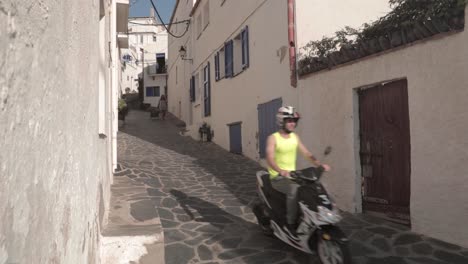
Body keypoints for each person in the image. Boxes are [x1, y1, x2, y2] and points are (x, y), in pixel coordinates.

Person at [266, 106, 330, 237]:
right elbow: (270, 158)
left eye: (294, 121)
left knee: (312, 186)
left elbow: (306, 153)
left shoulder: (295, 137)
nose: (292, 123)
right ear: (281, 121)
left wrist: (319, 164)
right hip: (278, 177)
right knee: (294, 190)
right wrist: (280, 170)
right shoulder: (273, 138)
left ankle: (314, 215)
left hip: (292, 175)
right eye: (289, 120)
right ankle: (290, 224)